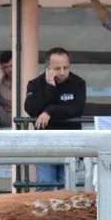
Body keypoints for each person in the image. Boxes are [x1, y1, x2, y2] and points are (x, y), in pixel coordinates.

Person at [23, 47, 87, 189]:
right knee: (45, 183)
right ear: (48, 68)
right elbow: (31, 109)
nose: (62, 72)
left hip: (70, 141)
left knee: (67, 186)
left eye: (66, 67)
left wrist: (49, 111)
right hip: (44, 142)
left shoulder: (78, 83)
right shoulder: (35, 84)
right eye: (57, 68)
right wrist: (50, 87)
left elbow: (77, 109)